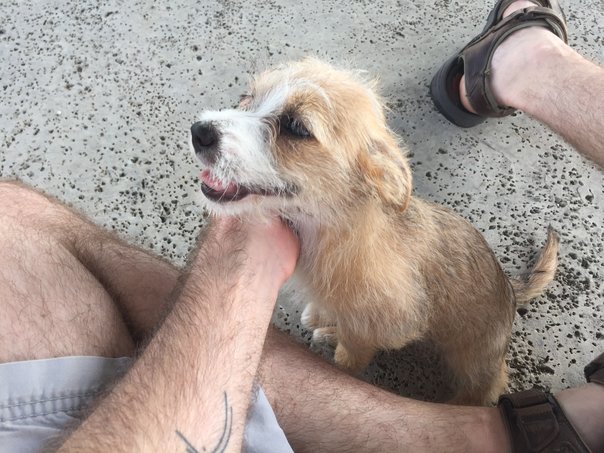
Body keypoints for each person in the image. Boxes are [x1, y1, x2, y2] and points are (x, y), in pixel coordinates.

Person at [0, 1, 602, 453]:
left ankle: (488, 423)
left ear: (377, 178)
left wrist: (351, 348)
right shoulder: (330, 222)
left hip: (476, 327)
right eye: (251, 100)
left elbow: (395, 325)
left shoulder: (365, 266)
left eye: (292, 129)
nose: (220, 125)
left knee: (475, 378)